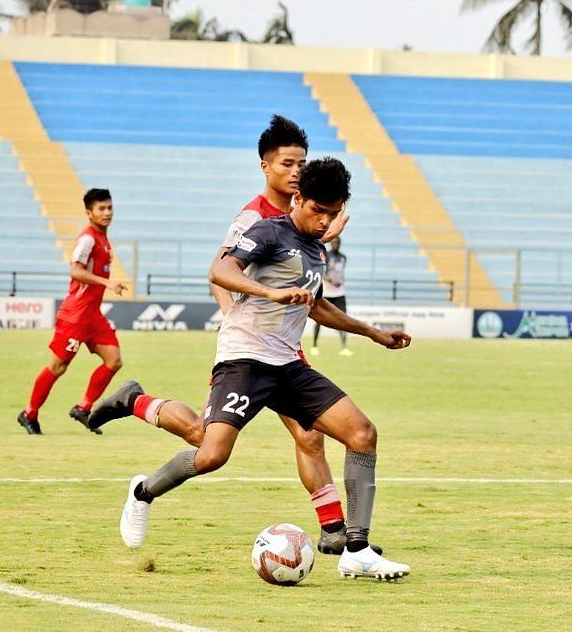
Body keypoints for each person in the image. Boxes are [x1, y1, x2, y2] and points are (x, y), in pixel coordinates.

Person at [101, 159, 413, 579]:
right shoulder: (267, 231)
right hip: (244, 360)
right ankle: (143, 491)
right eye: (318, 210)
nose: (325, 221)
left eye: (333, 213)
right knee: (211, 454)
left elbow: (316, 305)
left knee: (362, 433)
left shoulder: (315, 248)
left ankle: (356, 549)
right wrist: (269, 290)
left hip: (287, 364)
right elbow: (221, 270)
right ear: (298, 198)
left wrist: (373, 333)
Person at [17, 188, 128, 435]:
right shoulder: (88, 238)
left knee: (114, 360)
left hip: (92, 315)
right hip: (75, 316)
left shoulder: (103, 238)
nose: (107, 212)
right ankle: (29, 413)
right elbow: (75, 271)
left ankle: (83, 408)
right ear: (89, 213)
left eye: (109, 207)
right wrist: (107, 282)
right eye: (101, 208)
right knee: (58, 367)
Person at [311, 237, 351, 356]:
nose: (336, 244)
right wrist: (332, 281)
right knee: (319, 319)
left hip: (339, 293)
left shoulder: (343, 257)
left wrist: (338, 282)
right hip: (326, 292)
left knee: (343, 319)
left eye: (338, 242)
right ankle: (314, 346)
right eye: (334, 242)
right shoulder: (325, 255)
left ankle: (344, 347)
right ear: (330, 243)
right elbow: (322, 272)